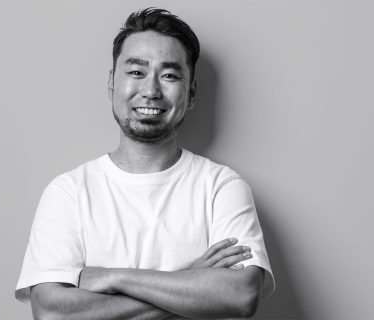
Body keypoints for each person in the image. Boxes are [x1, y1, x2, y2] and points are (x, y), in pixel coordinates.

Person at [15, 8, 274, 320]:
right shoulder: (68, 192)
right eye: (136, 72)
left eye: (169, 75)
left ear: (191, 93)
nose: (151, 91)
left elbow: (240, 295)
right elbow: (51, 312)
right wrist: (189, 280)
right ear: (112, 83)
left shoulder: (221, 187)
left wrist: (115, 277)